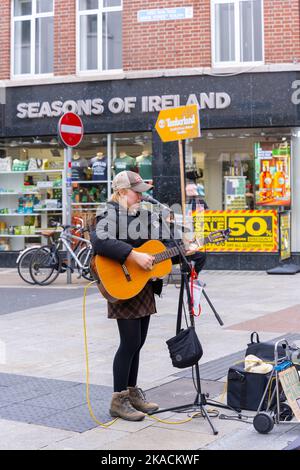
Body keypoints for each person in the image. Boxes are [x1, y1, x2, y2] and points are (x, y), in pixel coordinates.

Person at [90, 171, 206, 421]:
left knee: (138, 343)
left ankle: (131, 395)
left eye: (142, 191)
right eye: (137, 191)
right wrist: (133, 256)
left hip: (141, 286)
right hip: (122, 284)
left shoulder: (143, 215)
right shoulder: (107, 212)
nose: (142, 196)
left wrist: (185, 251)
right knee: (129, 343)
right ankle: (117, 401)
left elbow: (158, 251)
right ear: (121, 191)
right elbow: (99, 242)